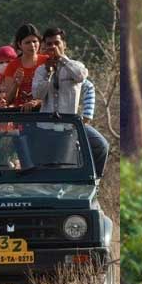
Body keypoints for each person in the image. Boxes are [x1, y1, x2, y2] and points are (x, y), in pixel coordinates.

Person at [31, 27, 108, 176]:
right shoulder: (41, 70)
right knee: (49, 170)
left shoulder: (74, 66)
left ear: (64, 45)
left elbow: (80, 77)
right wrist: (48, 74)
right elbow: (37, 94)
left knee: (100, 147)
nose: (53, 47)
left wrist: (62, 60)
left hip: (69, 126)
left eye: (56, 43)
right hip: (46, 127)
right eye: (49, 44)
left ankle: (93, 181)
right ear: (44, 47)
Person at [0, 24, 47, 110]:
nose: (32, 45)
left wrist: (37, 102)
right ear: (19, 44)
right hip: (21, 116)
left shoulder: (47, 61)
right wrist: (16, 84)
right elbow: (8, 100)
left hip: (44, 115)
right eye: (27, 42)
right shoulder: (12, 66)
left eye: (35, 41)